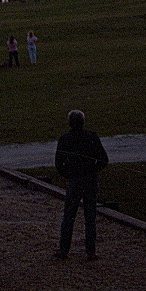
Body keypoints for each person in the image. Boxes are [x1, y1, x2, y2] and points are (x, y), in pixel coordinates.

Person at [54, 109, 109, 260]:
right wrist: (92, 170)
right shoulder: (91, 137)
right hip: (90, 180)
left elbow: (59, 162)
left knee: (69, 215)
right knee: (90, 216)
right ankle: (91, 252)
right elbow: (104, 159)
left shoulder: (65, 138)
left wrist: (69, 174)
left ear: (70, 123)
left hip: (75, 180)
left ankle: (64, 250)